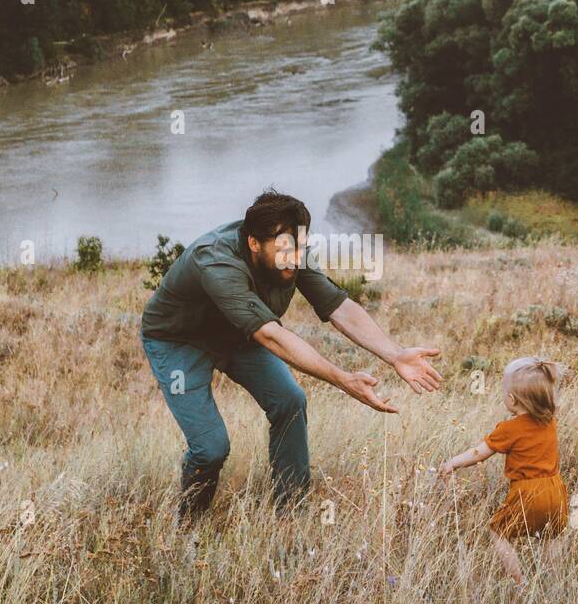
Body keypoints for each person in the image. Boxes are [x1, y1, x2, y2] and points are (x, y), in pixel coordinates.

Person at [141, 189, 443, 519]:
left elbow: (339, 307)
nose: (296, 258)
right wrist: (342, 379)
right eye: (286, 249)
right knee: (211, 449)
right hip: (180, 340)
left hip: (238, 335)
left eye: (301, 246)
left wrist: (395, 354)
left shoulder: (293, 251)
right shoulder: (216, 261)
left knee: (290, 401)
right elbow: (272, 336)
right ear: (254, 243)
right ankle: (188, 524)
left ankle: (292, 512)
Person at [439, 357, 568, 583]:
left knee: (499, 531)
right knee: (551, 535)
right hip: (555, 490)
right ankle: (555, 580)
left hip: (527, 493)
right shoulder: (550, 422)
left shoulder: (509, 429)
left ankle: (519, 581)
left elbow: (479, 453)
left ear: (512, 399)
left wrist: (453, 463)